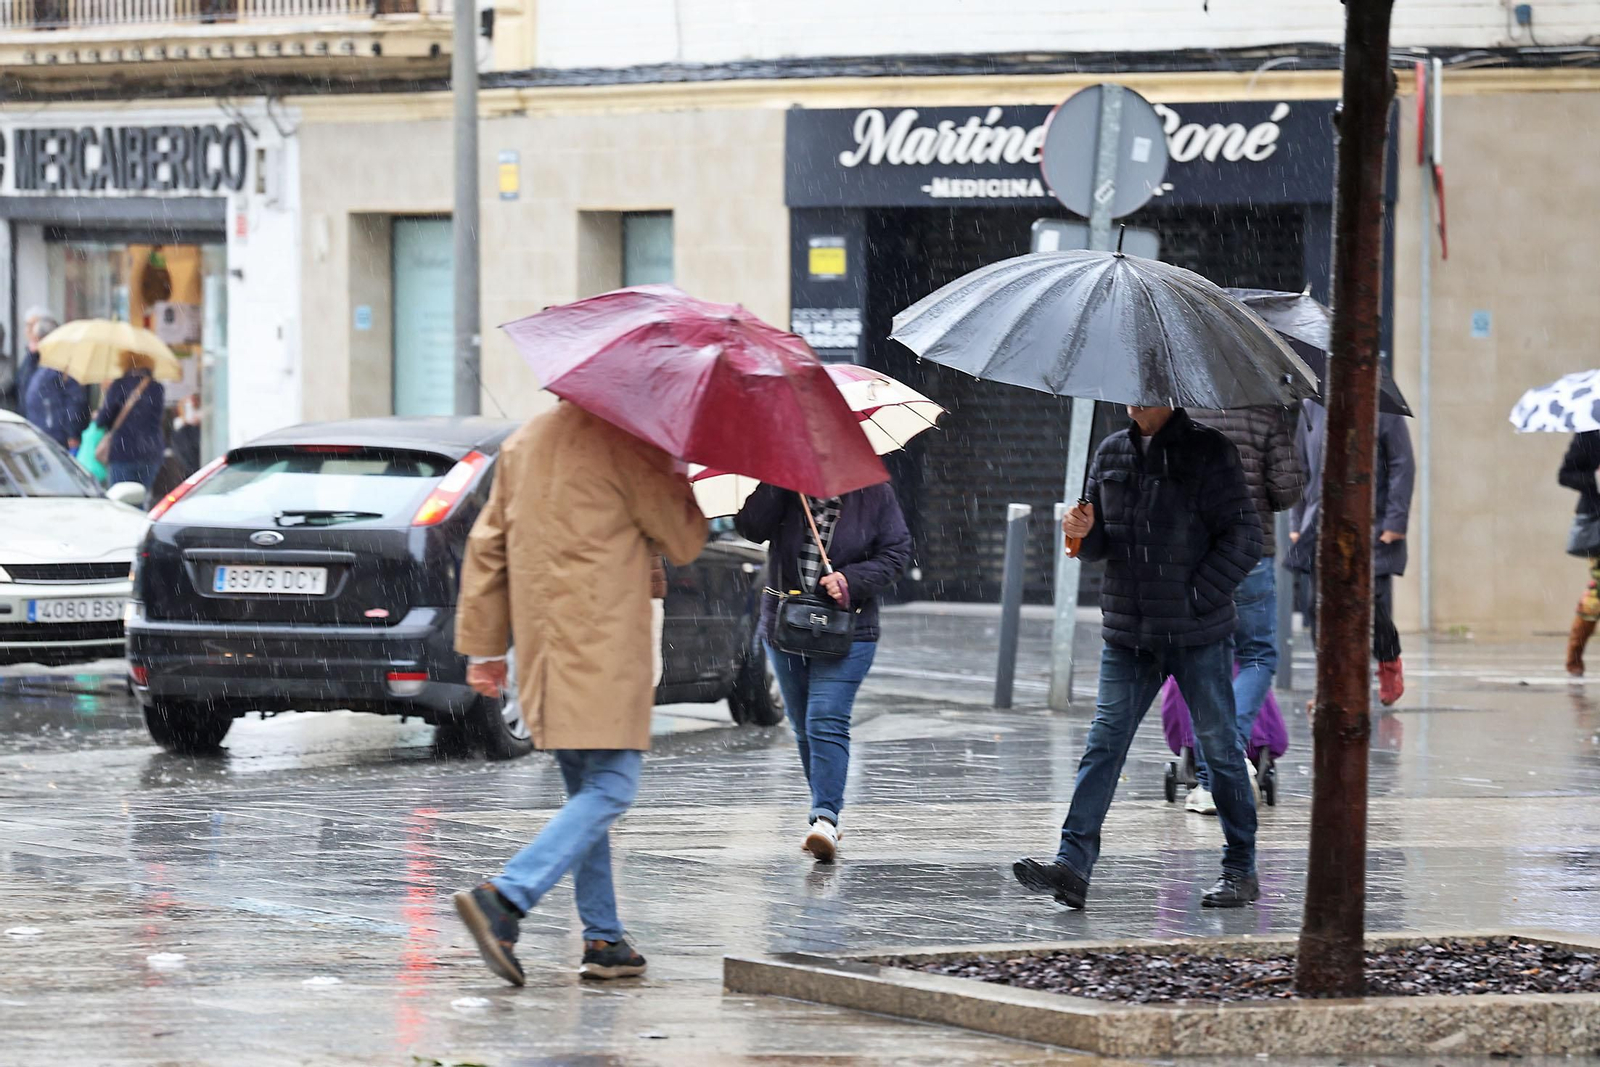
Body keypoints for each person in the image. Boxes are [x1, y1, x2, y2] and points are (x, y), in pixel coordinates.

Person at [450, 401, 706, 987]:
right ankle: (506, 898)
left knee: (586, 799)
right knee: (613, 789)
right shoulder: (631, 442)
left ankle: (605, 939)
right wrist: (676, 470)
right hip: (605, 644)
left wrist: (485, 648)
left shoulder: (525, 440)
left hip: (545, 646)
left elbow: (487, 545)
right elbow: (684, 540)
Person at [1013, 405, 1263, 910]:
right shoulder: (1111, 453)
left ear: (1171, 394)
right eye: (1129, 392)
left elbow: (1244, 537)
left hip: (1197, 634)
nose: (1134, 402)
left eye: (1146, 392)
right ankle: (1072, 866)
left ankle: (1241, 868)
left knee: (1219, 749)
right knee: (1103, 744)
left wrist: (1195, 597)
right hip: (1130, 634)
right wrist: (1080, 531)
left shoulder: (1209, 452)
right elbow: (1100, 544)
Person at [734, 480, 911, 863]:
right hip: (787, 627)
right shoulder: (783, 483)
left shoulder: (873, 490)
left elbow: (897, 552)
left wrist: (851, 579)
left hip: (850, 631)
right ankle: (825, 810)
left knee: (825, 719)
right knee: (803, 727)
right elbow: (750, 527)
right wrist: (777, 482)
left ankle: (825, 819)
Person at [1181, 407, 1304, 815]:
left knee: (1203, 657)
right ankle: (1226, 760)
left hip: (1196, 554)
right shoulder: (1267, 412)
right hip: (1250, 553)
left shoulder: (1185, 410)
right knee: (1257, 654)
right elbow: (1286, 490)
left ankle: (1208, 777)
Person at [1287, 399, 1415, 705]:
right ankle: (1327, 684)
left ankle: (1388, 659)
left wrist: (1395, 521)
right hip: (1320, 523)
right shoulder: (1311, 407)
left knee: (1374, 602)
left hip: (1372, 522)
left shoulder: (1383, 407)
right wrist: (1296, 520)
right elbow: (1299, 468)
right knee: (1317, 608)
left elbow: (1402, 463)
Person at [1559, 430, 1600, 675]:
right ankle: (1574, 656)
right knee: (1597, 591)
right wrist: (1595, 480)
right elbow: (1565, 475)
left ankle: (1574, 657)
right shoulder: (1590, 434)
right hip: (1598, 520)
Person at [22, 316, 89, 452]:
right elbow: (23, 383)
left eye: (35, 339)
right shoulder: (39, 363)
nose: (32, 343)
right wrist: (32, 355)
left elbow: (75, 401)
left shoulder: (62, 364)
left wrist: (73, 433)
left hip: (56, 437)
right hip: (39, 433)